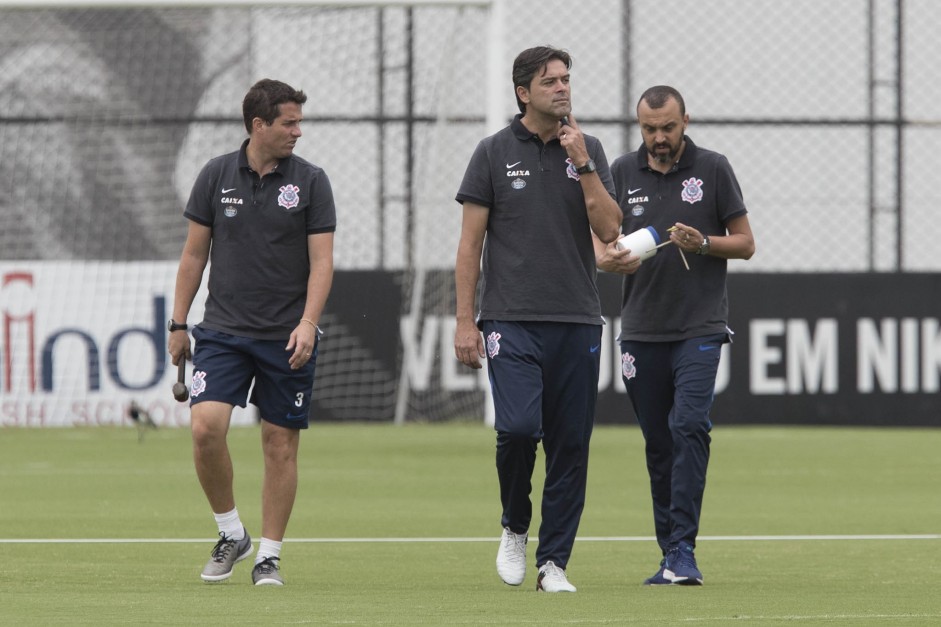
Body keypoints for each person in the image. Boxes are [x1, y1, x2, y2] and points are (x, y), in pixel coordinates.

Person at [453, 46, 622, 593]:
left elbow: (609, 229)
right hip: (510, 318)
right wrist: (464, 320)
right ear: (524, 92)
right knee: (520, 430)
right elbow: (469, 245)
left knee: (571, 443)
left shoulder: (588, 148)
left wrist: (584, 163)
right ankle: (514, 524)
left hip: (577, 317)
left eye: (566, 79)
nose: (562, 88)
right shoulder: (493, 152)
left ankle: (554, 564)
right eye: (550, 81)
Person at [167, 78, 336, 586]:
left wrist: (309, 323)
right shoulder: (216, 174)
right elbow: (194, 255)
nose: (298, 131)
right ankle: (231, 533)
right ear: (258, 124)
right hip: (221, 332)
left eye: (299, 121)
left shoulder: (311, 181)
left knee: (278, 445)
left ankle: (269, 555)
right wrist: (178, 322)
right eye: (289, 122)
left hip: (286, 338)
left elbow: (322, 263)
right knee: (204, 429)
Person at [596, 85, 755, 586]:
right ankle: (670, 555)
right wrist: (611, 259)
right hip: (641, 330)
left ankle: (684, 550)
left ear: (686, 120)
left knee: (689, 426)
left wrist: (704, 243)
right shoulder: (621, 171)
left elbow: (746, 243)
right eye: (649, 129)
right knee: (659, 443)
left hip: (699, 327)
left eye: (667, 127)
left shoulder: (713, 168)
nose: (659, 138)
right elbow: (600, 246)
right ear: (638, 125)